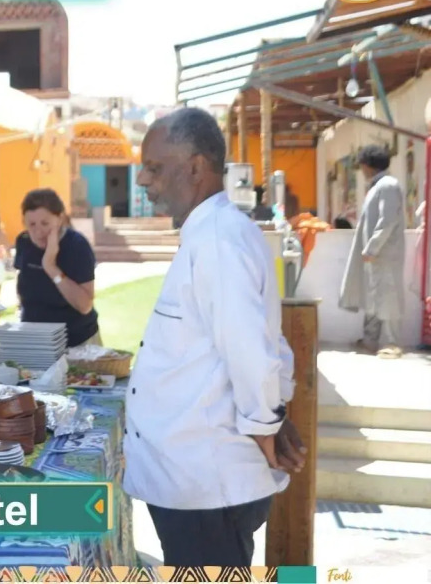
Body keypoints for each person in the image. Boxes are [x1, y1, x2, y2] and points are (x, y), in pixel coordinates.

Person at [125, 107, 305, 567]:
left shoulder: (219, 240)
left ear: (195, 167)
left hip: (206, 484)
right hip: (195, 482)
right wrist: (273, 417)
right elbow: (267, 343)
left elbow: (252, 352)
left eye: (154, 168)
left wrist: (265, 426)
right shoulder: (212, 233)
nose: (143, 180)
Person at [339, 144, 407, 359]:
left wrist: (373, 247)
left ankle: (393, 343)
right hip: (375, 254)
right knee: (373, 296)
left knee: (389, 296)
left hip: (385, 253)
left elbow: (387, 220)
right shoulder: (378, 186)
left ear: (368, 165)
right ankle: (370, 340)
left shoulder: (388, 186)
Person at [14, 188, 100, 347]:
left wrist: (51, 267)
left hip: (77, 341)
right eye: (31, 224)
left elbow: (85, 306)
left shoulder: (77, 246)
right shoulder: (23, 242)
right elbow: (23, 282)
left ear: (60, 219)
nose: (38, 231)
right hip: (35, 340)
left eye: (45, 223)